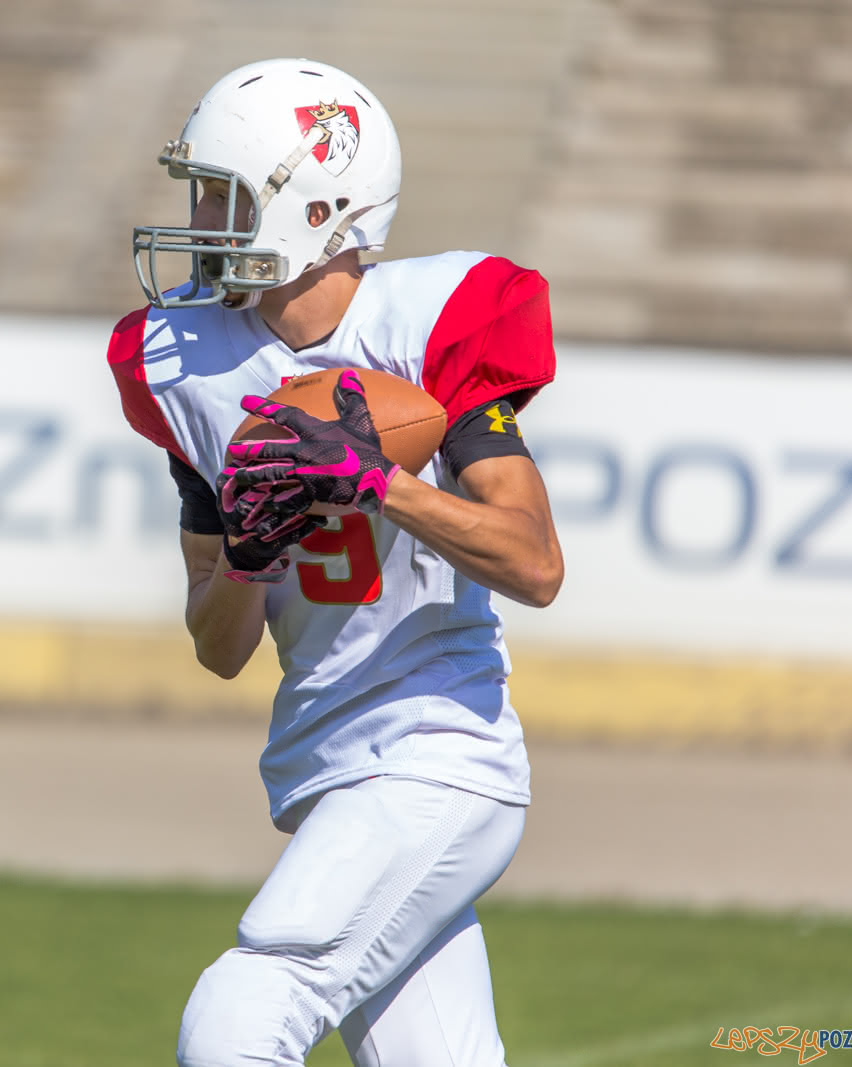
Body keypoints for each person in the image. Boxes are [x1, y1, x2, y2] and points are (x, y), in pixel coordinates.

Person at [106, 58, 564, 1066]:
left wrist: (378, 482)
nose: (199, 219)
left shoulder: (427, 326)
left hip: (437, 749)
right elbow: (219, 646)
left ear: (314, 210)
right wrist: (248, 550)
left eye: (221, 195)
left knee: (246, 1009)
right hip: (327, 757)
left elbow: (535, 564)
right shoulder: (185, 362)